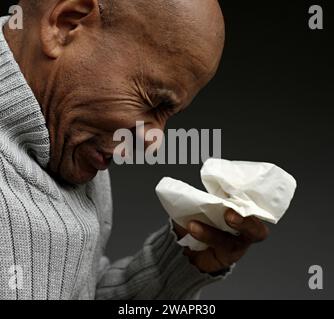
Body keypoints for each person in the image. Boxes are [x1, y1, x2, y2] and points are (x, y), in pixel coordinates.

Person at [0, 0, 269, 300]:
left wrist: (171, 268)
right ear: (66, 24)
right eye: (152, 103)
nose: (154, 141)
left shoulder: (70, 139)